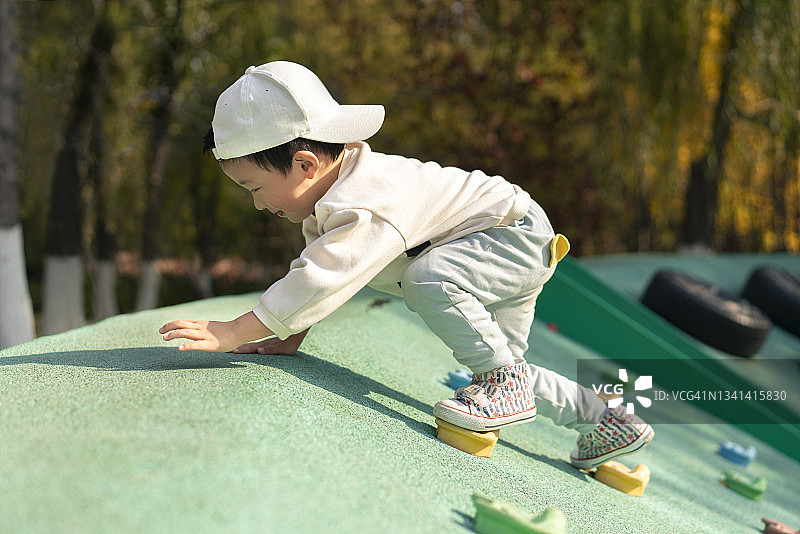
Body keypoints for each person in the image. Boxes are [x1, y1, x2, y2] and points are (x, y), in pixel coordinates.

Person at [159, 61, 654, 468]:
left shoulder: (366, 199)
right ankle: (609, 419)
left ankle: (507, 384)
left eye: (254, 188)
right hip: (511, 244)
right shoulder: (335, 199)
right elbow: (323, 269)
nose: (258, 205)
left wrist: (236, 330)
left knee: (431, 282)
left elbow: (325, 273)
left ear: (307, 164)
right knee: (503, 366)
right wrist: (291, 331)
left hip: (509, 237)